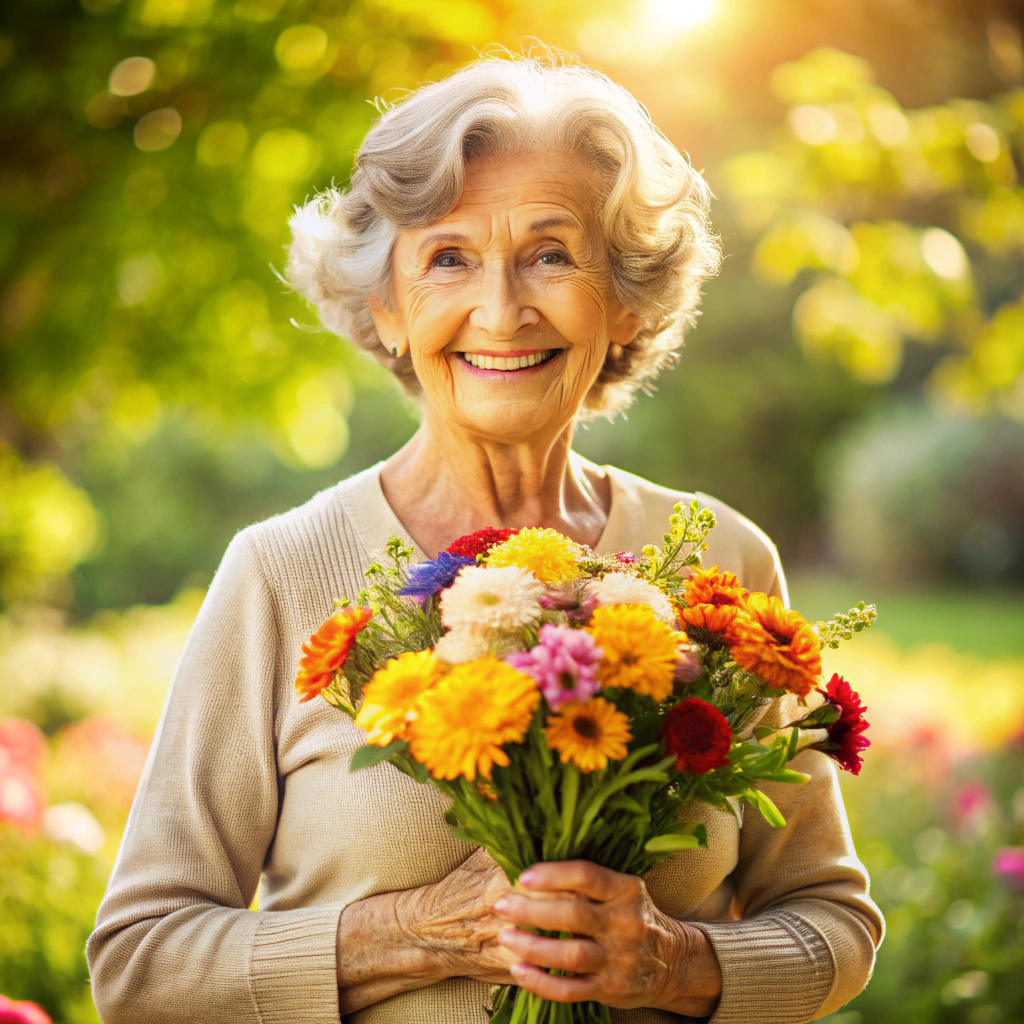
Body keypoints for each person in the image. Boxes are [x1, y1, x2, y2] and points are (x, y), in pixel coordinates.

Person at [87, 51, 883, 1024]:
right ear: (386, 306)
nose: (502, 311)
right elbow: (139, 964)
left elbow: (834, 924)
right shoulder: (282, 573)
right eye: (448, 258)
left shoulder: (723, 562)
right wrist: (414, 931)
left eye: (551, 255)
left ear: (626, 300)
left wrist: (671, 962)